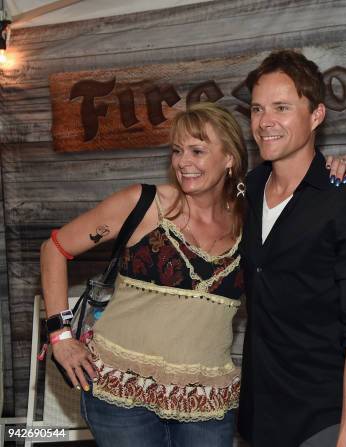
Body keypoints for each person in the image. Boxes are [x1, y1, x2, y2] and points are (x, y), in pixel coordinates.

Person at [40, 102, 248, 447]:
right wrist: (60, 337)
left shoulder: (250, 220)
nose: (183, 162)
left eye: (197, 150)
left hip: (205, 402)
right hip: (121, 396)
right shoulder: (145, 204)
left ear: (230, 159)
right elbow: (55, 249)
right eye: (177, 151)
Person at [237, 49, 346, 447]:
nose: (265, 121)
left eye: (281, 107)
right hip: (259, 415)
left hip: (324, 419)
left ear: (317, 115)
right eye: (256, 109)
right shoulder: (246, 192)